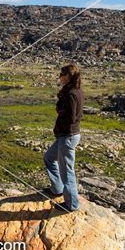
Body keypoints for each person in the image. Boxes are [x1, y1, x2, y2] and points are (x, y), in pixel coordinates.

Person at [43, 63, 84, 212]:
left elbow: (71, 117)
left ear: (67, 76)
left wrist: (60, 113)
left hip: (67, 136)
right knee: (48, 157)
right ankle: (57, 188)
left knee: (67, 171)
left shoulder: (72, 94)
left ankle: (71, 204)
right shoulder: (74, 91)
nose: (60, 77)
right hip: (67, 135)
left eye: (61, 74)